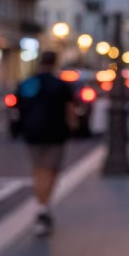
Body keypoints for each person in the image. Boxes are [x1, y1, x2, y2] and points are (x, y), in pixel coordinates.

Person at [14, 51, 76, 237]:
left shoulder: (28, 83)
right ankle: (43, 208)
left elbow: (17, 106)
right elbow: (70, 109)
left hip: (32, 133)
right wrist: (72, 126)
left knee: (39, 170)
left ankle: (42, 206)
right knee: (50, 171)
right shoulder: (60, 85)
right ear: (55, 63)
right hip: (55, 133)